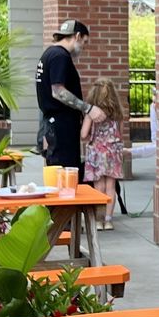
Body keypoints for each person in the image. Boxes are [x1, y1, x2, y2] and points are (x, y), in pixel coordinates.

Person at [35, 19, 108, 180]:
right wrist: (88, 108)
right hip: (61, 128)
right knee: (65, 177)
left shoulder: (49, 54)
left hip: (52, 125)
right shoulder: (60, 56)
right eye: (84, 42)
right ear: (77, 36)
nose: (83, 47)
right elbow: (58, 91)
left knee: (56, 175)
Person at [81, 78, 128, 230]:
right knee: (110, 187)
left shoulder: (92, 113)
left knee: (98, 187)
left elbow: (83, 134)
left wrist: (93, 138)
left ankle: (98, 220)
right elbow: (120, 134)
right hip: (113, 152)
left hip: (96, 153)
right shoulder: (118, 113)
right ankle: (108, 220)